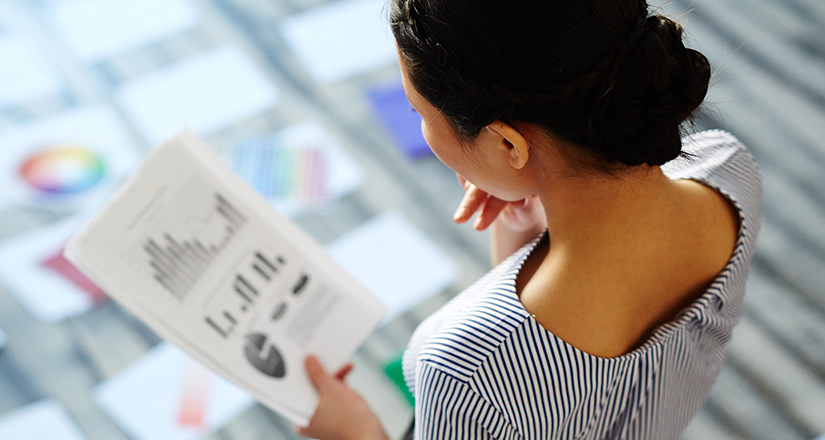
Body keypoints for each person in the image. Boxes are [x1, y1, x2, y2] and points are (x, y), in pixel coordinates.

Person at [297, 0, 763, 438]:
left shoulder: (464, 366)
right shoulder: (727, 166)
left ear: (508, 145)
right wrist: (523, 212)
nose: (420, 122)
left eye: (419, 110)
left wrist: (357, 433)